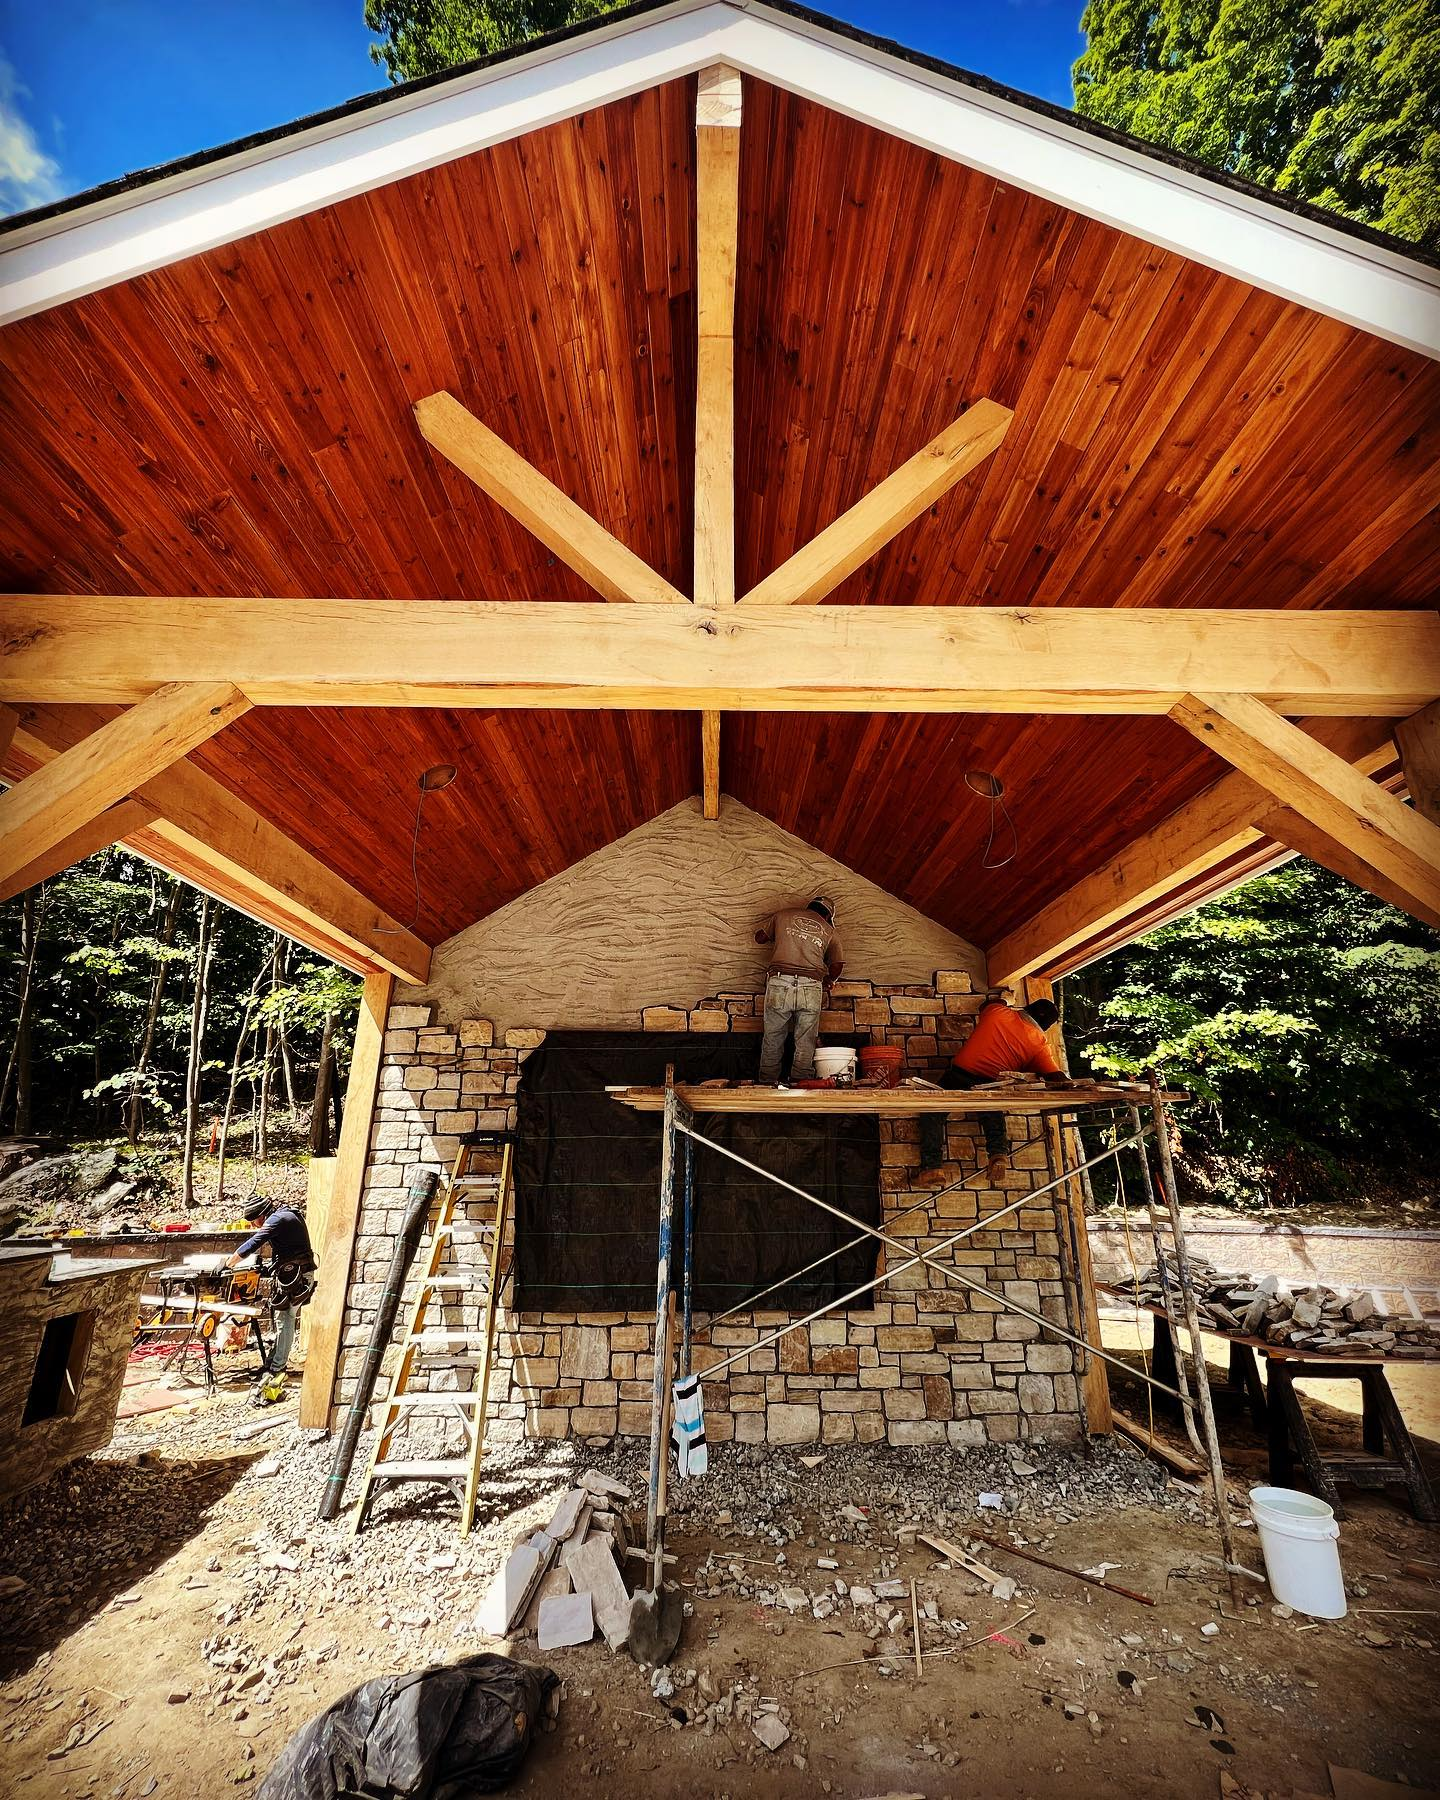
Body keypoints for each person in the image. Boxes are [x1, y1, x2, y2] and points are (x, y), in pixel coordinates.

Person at [919, 995, 1073, 1186]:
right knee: (993, 1113)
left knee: (933, 1112)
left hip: (959, 1074)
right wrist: (1072, 1085)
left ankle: (932, 1168)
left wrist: (1006, 999)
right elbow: (1055, 1076)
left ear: (1027, 1008)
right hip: (989, 1084)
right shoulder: (1039, 1043)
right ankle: (998, 1154)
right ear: (1046, 1027)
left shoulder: (998, 1012)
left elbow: (988, 1004)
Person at [226, 1198, 317, 1404]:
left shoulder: (278, 1219)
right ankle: (272, 1363)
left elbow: (253, 1243)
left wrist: (228, 1263)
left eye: (254, 1221)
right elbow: (287, 1248)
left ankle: (277, 1369)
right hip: (294, 1273)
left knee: (285, 1320)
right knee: (282, 1319)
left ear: (262, 1215)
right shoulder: (285, 1215)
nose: (253, 1225)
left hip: (297, 1277)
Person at [755, 894, 843, 1083]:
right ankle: (801, 1083)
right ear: (828, 915)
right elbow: (836, 965)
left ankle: (767, 1083)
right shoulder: (830, 930)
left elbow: (760, 938)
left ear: (809, 906)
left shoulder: (783, 915)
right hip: (811, 987)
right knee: (806, 1039)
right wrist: (830, 979)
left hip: (780, 982)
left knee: (773, 1036)